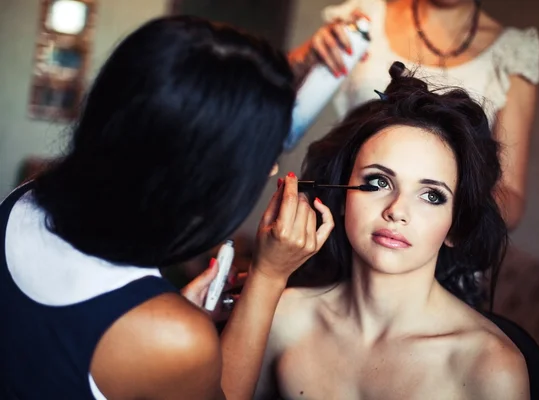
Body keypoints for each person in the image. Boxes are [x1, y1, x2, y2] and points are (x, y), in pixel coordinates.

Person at [0, 16, 334, 399]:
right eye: (263, 154)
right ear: (202, 175)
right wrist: (269, 275)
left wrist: (169, 313)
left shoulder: (25, 198)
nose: (273, 168)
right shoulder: (172, 338)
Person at [254, 62, 530, 399]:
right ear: (341, 197)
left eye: (432, 196)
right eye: (378, 182)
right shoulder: (283, 316)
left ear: (454, 227)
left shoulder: (491, 367)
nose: (397, 211)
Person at [288, 0, 539, 230]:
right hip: (349, 222)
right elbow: (264, 113)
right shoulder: (365, 16)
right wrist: (304, 59)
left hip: (436, 250)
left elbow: (510, 192)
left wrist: (438, 206)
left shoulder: (512, 54)